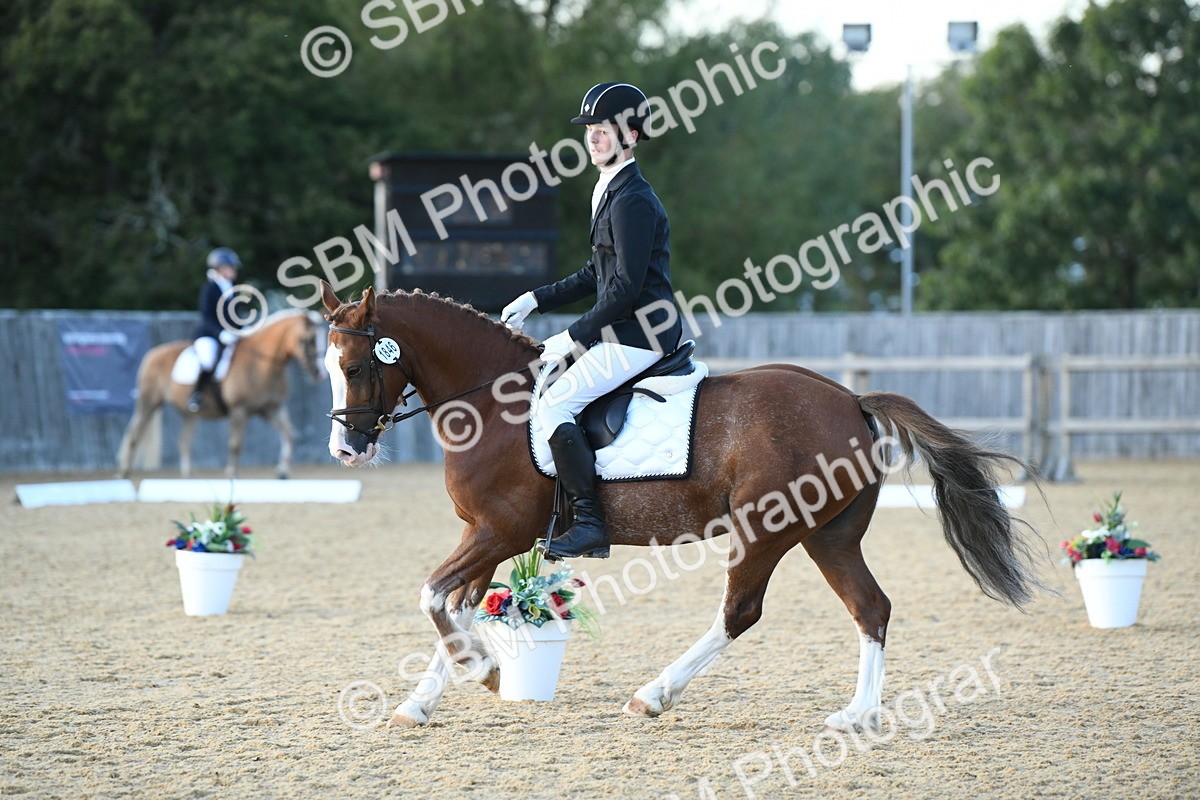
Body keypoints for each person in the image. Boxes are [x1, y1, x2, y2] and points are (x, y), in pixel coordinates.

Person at [501, 82, 683, 561]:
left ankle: (589, 524)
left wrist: (571, 336)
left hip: (641, 333)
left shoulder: (632, 199)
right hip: (624, 328)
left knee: (555, 405)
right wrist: (536, 299)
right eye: (590, 130)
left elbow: (624, 289)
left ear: (631, 136)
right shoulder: (610, 190)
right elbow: (595, 273)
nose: (593, 138)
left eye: (604, 130)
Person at [188, 247, 242, 413]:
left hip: (230, 335)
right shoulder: (210, 288)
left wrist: (243, 328)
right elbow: (207, 317)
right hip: (209, 335)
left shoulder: (231, 289)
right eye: (231, 267)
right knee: (209, 359)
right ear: (220, 268)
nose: (234, 270)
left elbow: (236, 316)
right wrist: (221, 333)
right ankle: (196, 395)